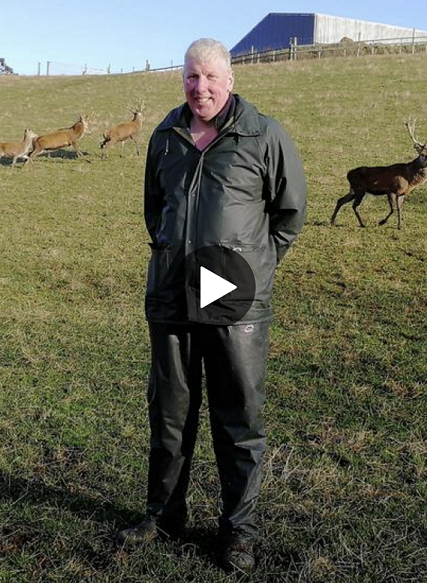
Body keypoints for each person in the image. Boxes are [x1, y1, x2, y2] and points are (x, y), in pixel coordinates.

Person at [116, 38, 306, 573]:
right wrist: (174, 253)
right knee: (170, 415)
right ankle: (163, 515)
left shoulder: (263, 135)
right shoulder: (166, 136)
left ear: (230, 80)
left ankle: (237, 533)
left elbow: (289, 216)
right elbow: (155, 210)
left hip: (233, 299)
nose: (200, 88)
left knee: (238, 417)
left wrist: (253, 268)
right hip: (173, 292)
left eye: (210, 78)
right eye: (191, 78)